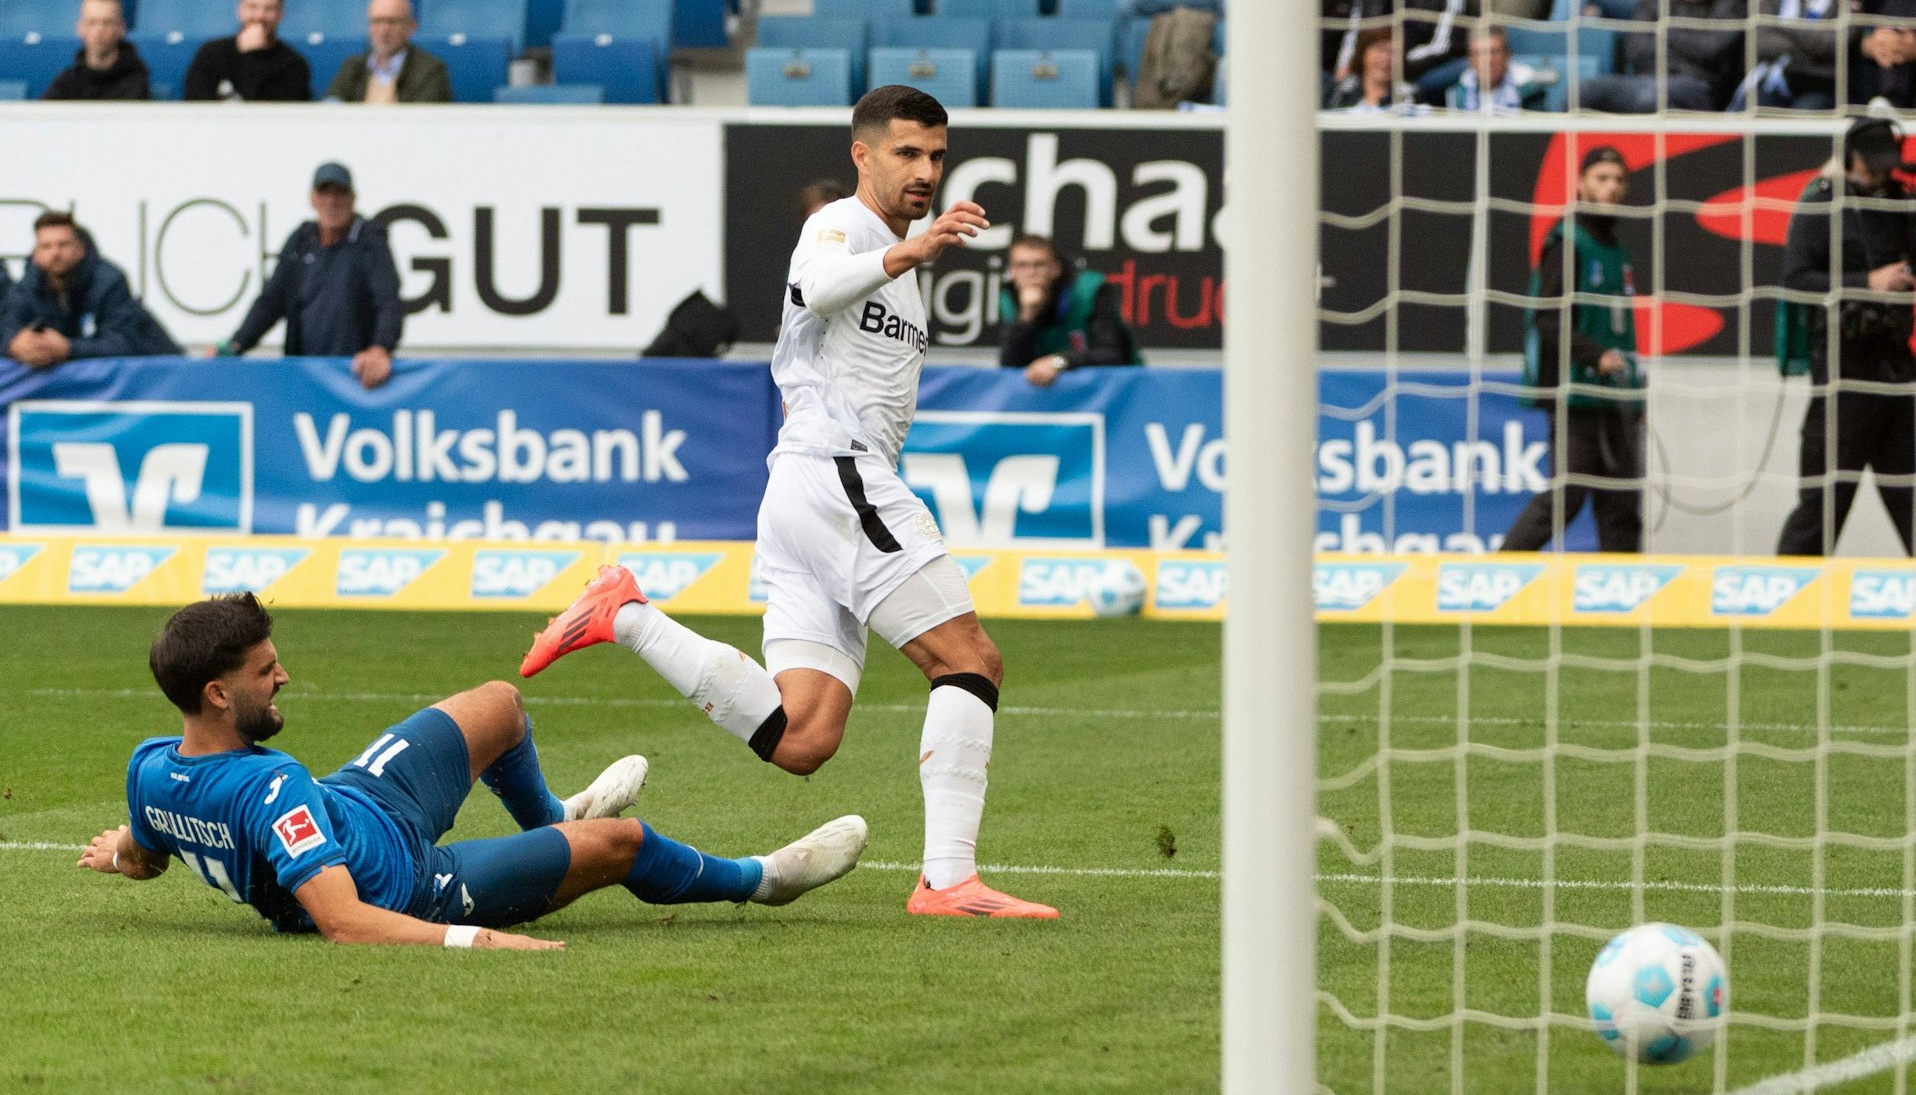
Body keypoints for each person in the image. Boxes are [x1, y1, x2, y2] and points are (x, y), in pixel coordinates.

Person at [521, 86, 1058, 920]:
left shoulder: (896, 256)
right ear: (863, 155)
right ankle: (948, 879)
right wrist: (908, 252)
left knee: (803, 737)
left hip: (806, 494)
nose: (925, 170)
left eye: (937, 155)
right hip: (838, 476)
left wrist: (908, 256)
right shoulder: (843, 225)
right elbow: (816, 284)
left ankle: (625, 615)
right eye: (908, 152)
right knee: (969, 659)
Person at [77, 594, 866, 948]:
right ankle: (765, 878)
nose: (282, 677)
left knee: (500, 704)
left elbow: (148, 851)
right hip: (413, 885)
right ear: (217, 694)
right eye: (264, 671)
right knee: (623, 843)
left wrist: (119, 853)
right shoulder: (268, 786)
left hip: (357, 798)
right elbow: (344, 920)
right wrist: (477, 940)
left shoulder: (150, 768)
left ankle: (553, 817)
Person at [1772, 118, 1916, 558]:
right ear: (1851, 157)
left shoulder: (1902, 202)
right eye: (1872, 163)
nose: (1881, 172)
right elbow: (1796, 279)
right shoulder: (1823, 201)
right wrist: (1867, 283)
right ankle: (1790, 589)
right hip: (1844, 369)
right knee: (1820, 509)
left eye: (1887, 163)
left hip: (1896, 366)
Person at [1500, 147, 1647, 554]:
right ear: (1581, 184)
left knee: (1622, 504)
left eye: (1619, 179)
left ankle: (1622, 586)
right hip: (1576, 394)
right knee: (1566, 497)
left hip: (1615, 396)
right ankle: (1499, 569)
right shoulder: (1568, 242)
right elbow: (1547, 318)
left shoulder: (1617, 249)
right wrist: (1595, 355)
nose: (1612, 187)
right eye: (1602, 178)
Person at [221, 162, 400, 389]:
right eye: (324, 193)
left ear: (353, 198)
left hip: (353, 380)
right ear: (313, 199)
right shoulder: (301, 240)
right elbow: (272, 301)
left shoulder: (370, 241)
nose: (332, 202)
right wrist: (236, 344)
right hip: (304, 378)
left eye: (340, 193)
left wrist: (380, 349)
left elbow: (388, 301)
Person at [1, 211, 179, 368]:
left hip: (157, 377)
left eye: (63, 244)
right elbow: (8, 327)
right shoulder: (26, 288)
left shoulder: (110, 282)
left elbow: (124, 344)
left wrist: (68, 348)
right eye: (46, 246)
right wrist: (13, 345)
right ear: (35, 255)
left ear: (80, 250)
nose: (55, 253)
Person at [1578, 0, 1747, 113]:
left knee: (1649, 98)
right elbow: (1636, 50)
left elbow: (1709, 50)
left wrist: (1663, 29)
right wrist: (1691, 41)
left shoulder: (1733, 7)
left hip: (1698, 88)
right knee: (1582, 91)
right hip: (1645, 80)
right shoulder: (1657, 0)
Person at [997, 234, 1137, 386]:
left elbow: (1111, 355)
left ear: (1055, 269)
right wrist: (1027, 316)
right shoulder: (1008, 300)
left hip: (1112, 389)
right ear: (1012, 271)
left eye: (1039, 265)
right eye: (1022, 266)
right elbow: (1010, 366)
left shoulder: (1089, 290)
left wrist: (1059, 361)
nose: (1031, 273)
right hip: (1043, 393)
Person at [1334, 0, 1470, 103]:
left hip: (1422, 67)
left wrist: (1397, 59)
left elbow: (1443, 45)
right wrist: (1345, 63)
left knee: (1464, 67)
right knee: (1341, 85)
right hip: (1378, 62)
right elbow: (1355, 29)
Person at [183, 0, 310, 102]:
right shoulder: (210, 55)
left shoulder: (293, 65)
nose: (260, 15)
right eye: (252, 7)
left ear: (280, 14)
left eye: (269, 9)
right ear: (240, 10)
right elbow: (194, 105)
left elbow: (267, 109)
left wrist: (253, 55)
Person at [1732, 0, 1842, 111]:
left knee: (1803, 114)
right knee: (1749, 107)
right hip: (1773, 81)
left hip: (1820, 86)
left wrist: (1784, 26)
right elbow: (1760, 44)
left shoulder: (1843, 0)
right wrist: (1808, 42)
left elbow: (1827, 45)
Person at [328, 0, 451, 104]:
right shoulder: (352, 67)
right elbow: (330, 107)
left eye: (392, 22)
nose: (384, 30)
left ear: (411, 27)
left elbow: (425, 116)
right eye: (377, 21)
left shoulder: (430, 71)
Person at [43, 0, 150, 100]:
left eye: (107, 22)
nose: (99, 30)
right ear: (80, 28)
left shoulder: (136, 79)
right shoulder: (67, 81)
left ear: (121, 29)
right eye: (92, 22)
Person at [1447, 26, 1549, 113]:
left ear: (1507, 55)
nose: (1488, 60)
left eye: (1493, 52)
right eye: (1480, 53)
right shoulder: (1458, 94)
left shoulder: (1529, 89)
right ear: (1470, 59)